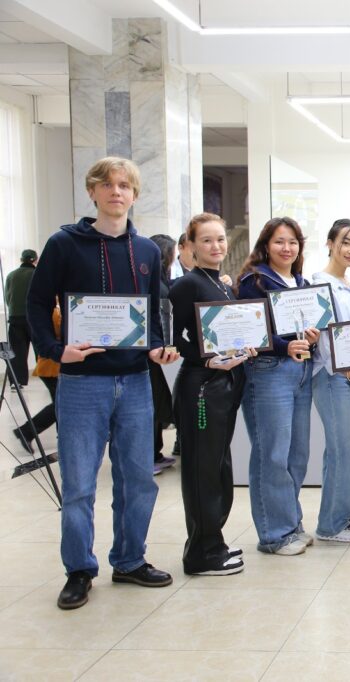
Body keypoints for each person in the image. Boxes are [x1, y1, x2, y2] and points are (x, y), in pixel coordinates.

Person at [26, 156, 179, 610]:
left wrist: (156, 348)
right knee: (79, 484)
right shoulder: (64, 244)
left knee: (138, 481)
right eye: (108, 185)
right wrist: (55, 350)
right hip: (81, 383)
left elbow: (152, 315)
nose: (117, 192)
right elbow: (36, 304)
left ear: (134, 194)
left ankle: (130, 560)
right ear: (92, 192)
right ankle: (79, 569)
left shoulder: (147, 251)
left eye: (125, 186)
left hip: (135, 382)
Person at [169, 213, 255, 575]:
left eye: (220, 238)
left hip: (225, 385)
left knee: (218, 466)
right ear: (190, 246)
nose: (216, 246)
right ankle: (201, 553)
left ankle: (212, 541)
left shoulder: (221, 285)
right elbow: (172, 337)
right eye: (206, 240)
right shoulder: (187, 285)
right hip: (201, 387)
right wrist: (207, 359)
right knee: (202, 470)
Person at [237, 217, 319, 556]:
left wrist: (312, 336)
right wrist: (285, 346)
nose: (287, 248)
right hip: (268, 372)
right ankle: (274, 535)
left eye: (293, 242)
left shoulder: (301, 283)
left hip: (301, 372)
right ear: (266, 246)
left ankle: (291, 523)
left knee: (296, 455)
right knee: (272, 454)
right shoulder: (254, 282)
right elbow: (248, 332)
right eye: (279, 242)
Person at [309, 219, 350, 543]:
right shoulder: (320, 283)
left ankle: (337, 517)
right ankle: (331, 525)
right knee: (341, 450)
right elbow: (323, 338)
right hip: (332, 375)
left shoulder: (347, 283)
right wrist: (344, 370)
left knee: (341, 449)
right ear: (330, 243)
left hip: (349, 375)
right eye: (346, 242)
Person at [12, 301, 59, 453]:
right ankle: (26, 431)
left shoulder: (55, 309)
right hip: (52, 368)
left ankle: (28, 432)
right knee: (61, 404)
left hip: (54, 367)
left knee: (61, 404)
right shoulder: (55, 311)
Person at [149, 234, 177, 475]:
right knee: (154, 404)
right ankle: (149, 456)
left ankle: (155, 453)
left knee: (157, 404)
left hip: (157, 350)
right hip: (155, 352)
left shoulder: (158, 279)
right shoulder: (155, 284)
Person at [5, 248, 36, 387]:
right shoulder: (37, 274)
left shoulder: (11, 275)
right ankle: (49, 377)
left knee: (17, 352)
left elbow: (8, 298)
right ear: (36, 260)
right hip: (35, 319)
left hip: (15, 318)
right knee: (42, 350)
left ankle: (16, 382)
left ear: (21, 260)